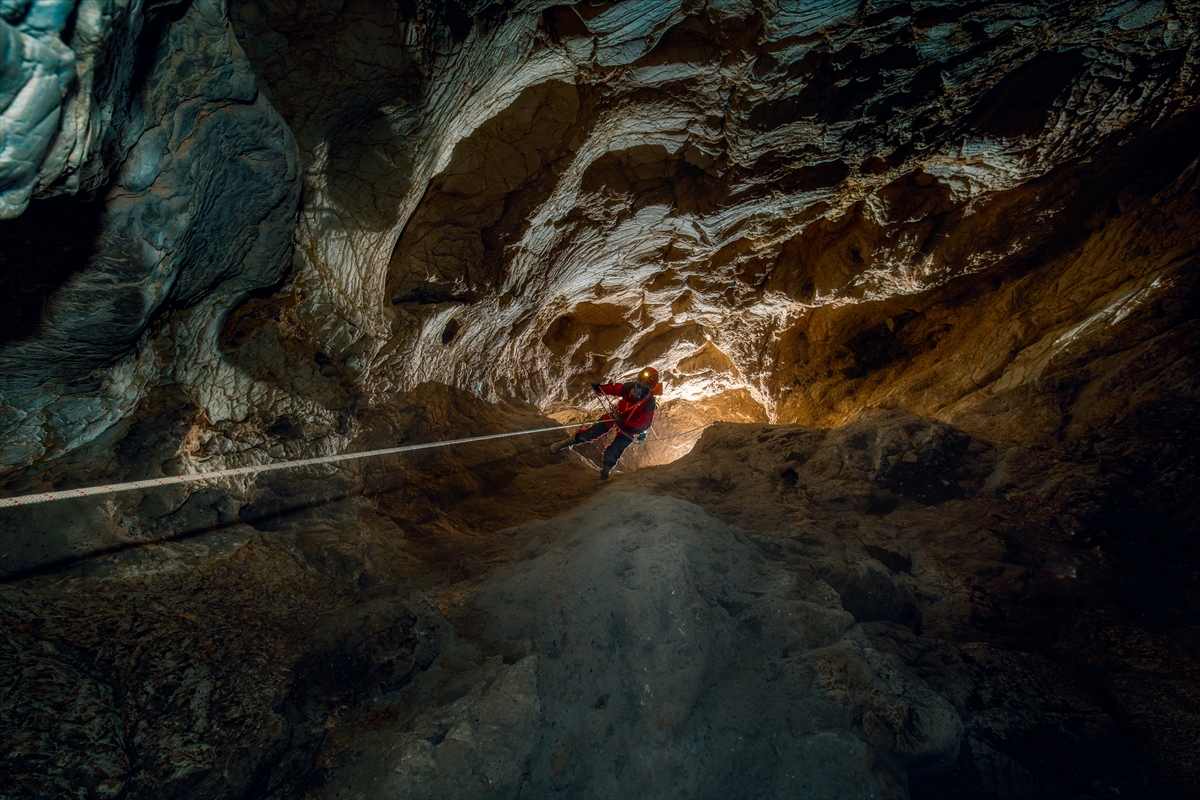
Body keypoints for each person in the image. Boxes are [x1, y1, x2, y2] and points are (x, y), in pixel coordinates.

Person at [549, 367, 661, 479]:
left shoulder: (649, 403)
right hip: (616, 415)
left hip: (629, 428)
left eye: (644, 384)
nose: (640, 386)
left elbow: (644, 425)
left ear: (650, 387)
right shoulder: (630, 388)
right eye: (640, 381)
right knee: (589, 434)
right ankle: (565, 443)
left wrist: (625, 424)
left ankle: (605, 472)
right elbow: (616, 389)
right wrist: (600, 388)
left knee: (612, 454)